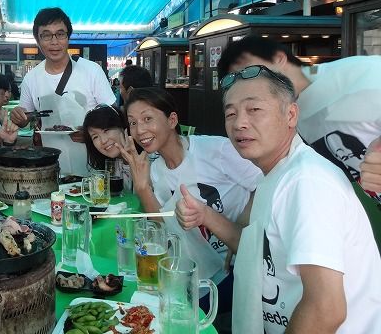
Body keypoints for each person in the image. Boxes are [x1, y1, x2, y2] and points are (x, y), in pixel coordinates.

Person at [196, 64, 380, 333]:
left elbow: (325, 309)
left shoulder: (306, 182)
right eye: (231, 113)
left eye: (254, 109)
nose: (239, 123)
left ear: (291, 114)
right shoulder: (277, 175)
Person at [118, 87, 261, 314]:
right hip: (200, 270)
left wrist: (240, 230)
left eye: (147, 119)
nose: (140, 130)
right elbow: (164, 230)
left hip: (243, 266)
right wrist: (143, 188)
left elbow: (263, 182)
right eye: (133, 122)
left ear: (172, 120)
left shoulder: (216, 150)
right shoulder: (156, 170)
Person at [217, 35, 381, 204]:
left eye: (251, 72)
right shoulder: (281, 118)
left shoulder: (364, 73)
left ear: (279, 59)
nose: (246, 86)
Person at [11, 7, 115, 129]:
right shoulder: (31, 79)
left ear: (68, 37)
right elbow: (24, 119)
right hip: (48, 142)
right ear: (37, 40)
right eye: (46, 35)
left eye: (60, 34)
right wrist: (17, 116)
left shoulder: (92, 71)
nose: (54, 42)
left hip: (89, 141)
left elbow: (113, 114)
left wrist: (88, 132)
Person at [82, 104, 132, 191]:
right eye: (95, 137)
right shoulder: (109, 168)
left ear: (122, 127)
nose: (103, 141)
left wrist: (131, 163)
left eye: (106, 130)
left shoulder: (148, 158)